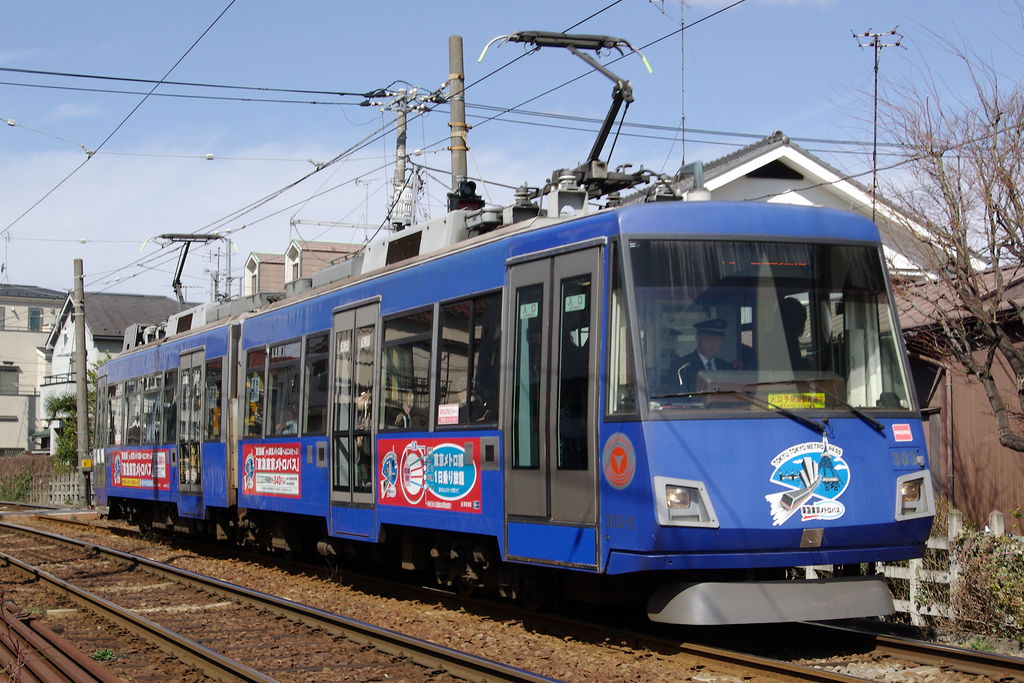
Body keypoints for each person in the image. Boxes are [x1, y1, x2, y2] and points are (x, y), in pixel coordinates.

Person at [666, 318, 732, 392]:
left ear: (723, 341)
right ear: (698, 338)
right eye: (709, 338)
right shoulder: (681, 367)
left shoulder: (727, 368)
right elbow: (678, 394)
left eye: (718, 339)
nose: (713, 343)